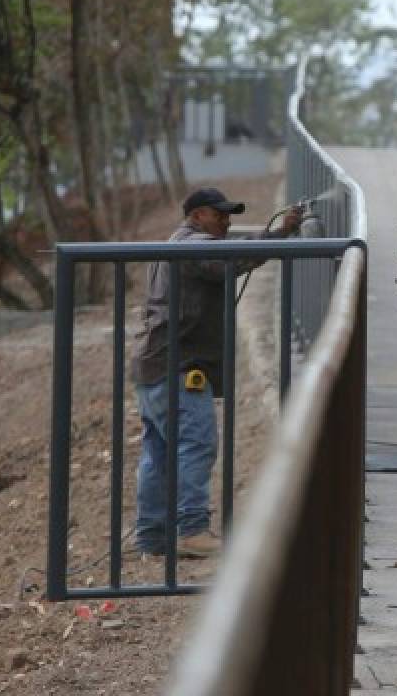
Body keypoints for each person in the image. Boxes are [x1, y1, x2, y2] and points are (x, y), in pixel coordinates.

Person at [130, 187, 302, 558]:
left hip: (153, 364)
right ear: (196, 216)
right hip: (178, 365)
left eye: (229, 215)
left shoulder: (179, 243)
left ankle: (151, 535)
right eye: (218, 214)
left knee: (158, 452)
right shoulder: (193, 246)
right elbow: (229, 261)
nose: (227, 221)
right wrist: (279, 236)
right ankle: (192, 530)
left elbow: (232, 251)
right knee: (197, 443)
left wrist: (276, 233)